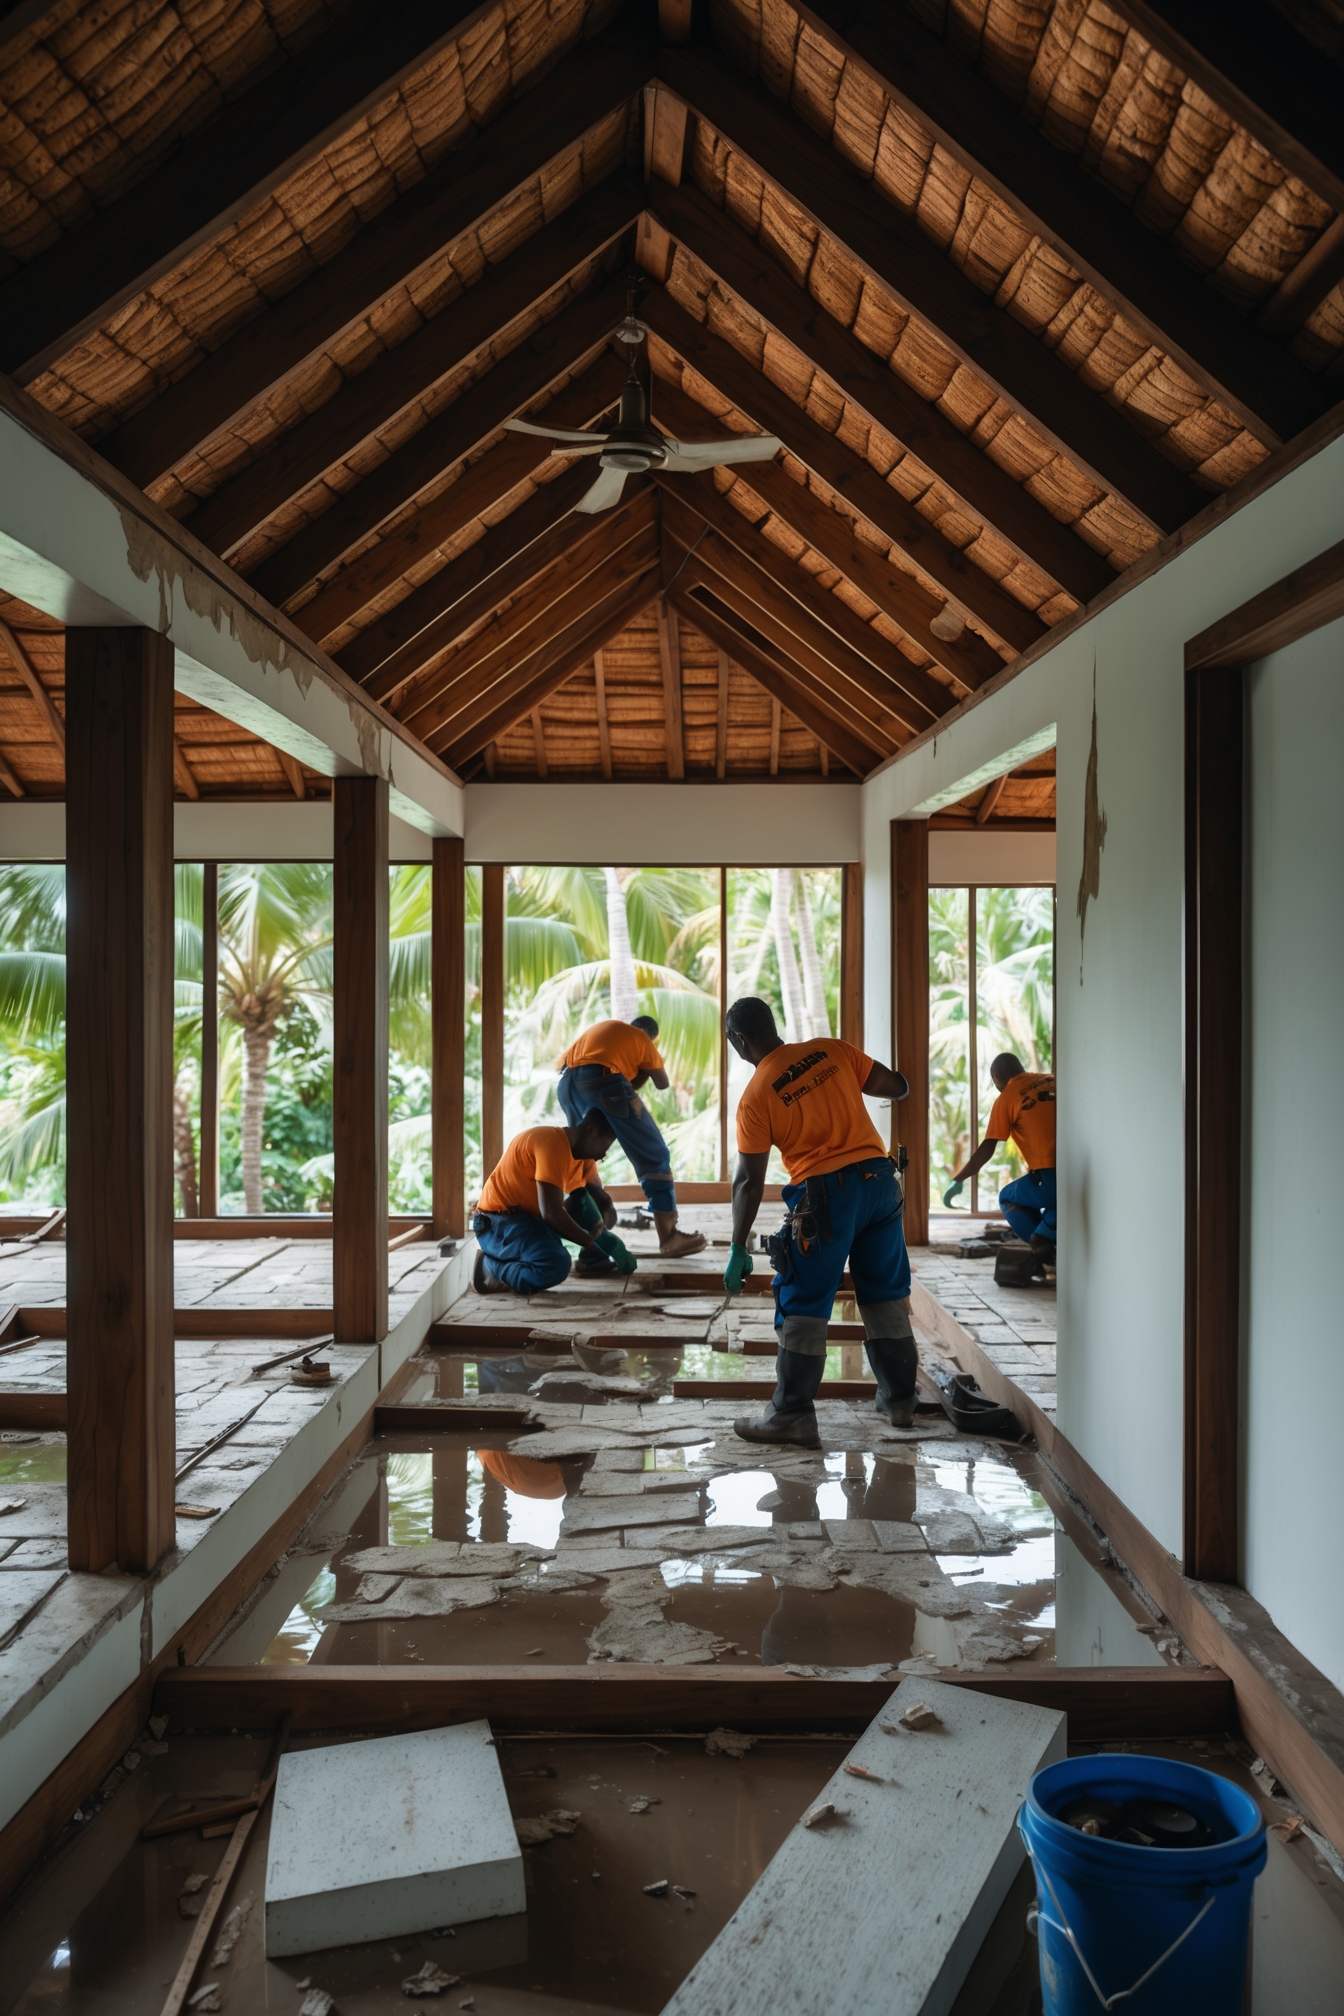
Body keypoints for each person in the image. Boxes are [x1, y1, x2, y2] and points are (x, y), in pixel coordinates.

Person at [720, 996, 916, 1447]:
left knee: (803, 1299)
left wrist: (737, 1246)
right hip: (880, 1185)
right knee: (885, 1291)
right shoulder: (832, 1049)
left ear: (739, 1040)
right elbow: (896, 1087)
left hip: (828, 1198)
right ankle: (901, 1400)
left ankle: (790, 1415)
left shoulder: (755, 1097)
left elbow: (749, 1181)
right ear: (772, 1025)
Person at [557, 1013, 706, 1258]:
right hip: (602, 1079)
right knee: (655, 1153)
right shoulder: (642, 1039)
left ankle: (593, 1243)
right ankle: (669, 1236)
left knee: (583, 1157)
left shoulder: (609, 1032)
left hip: (566, 1085)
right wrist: (642, 1069)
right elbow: (662, 1082)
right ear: (651, 1035)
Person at [471, 1113, 637, 1295]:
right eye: (605, 1146)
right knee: (556, 1264)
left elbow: (596, 1201)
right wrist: (593, 1242)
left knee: (590, 1204)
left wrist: (604, 1235)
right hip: (498, 1223)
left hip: (526, 1221)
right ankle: (492, 1268)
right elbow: (551, 1212)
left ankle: (592, 1261)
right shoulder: (550, 1143)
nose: (603, 1155)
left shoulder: (582, 1158)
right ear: (592, 1131)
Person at [945, 1052, 1056, 1261]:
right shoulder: (1052, 1080)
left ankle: (1042, 1245)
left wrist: (958, 1179)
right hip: (1079, 1170)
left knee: (1007, 1197)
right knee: (1054, 1203)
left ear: (999, 1076)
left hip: (1051, 1178)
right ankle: (1050, 1233)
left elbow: (988, 1148)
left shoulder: (1007, 1097)